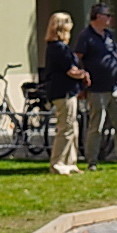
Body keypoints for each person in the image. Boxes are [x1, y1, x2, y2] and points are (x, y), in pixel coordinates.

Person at [73, 3, 117, 170]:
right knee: (96, 126)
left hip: (116, 86)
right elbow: (77, 59)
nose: (109, 18)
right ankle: (92, 161)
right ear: (98, 16)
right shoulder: (85, 36)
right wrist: (81, 83)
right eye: (107, 15)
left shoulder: (109, 35)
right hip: (96, 89)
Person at [44, 11, 88, 175]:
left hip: (67, 91)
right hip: (63, 92)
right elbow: (70, 71)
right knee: (66, 128)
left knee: (72, 127)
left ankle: (70, 162)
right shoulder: (58, 48)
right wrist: (83, 75)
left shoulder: (57, 47)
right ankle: (58, 163)